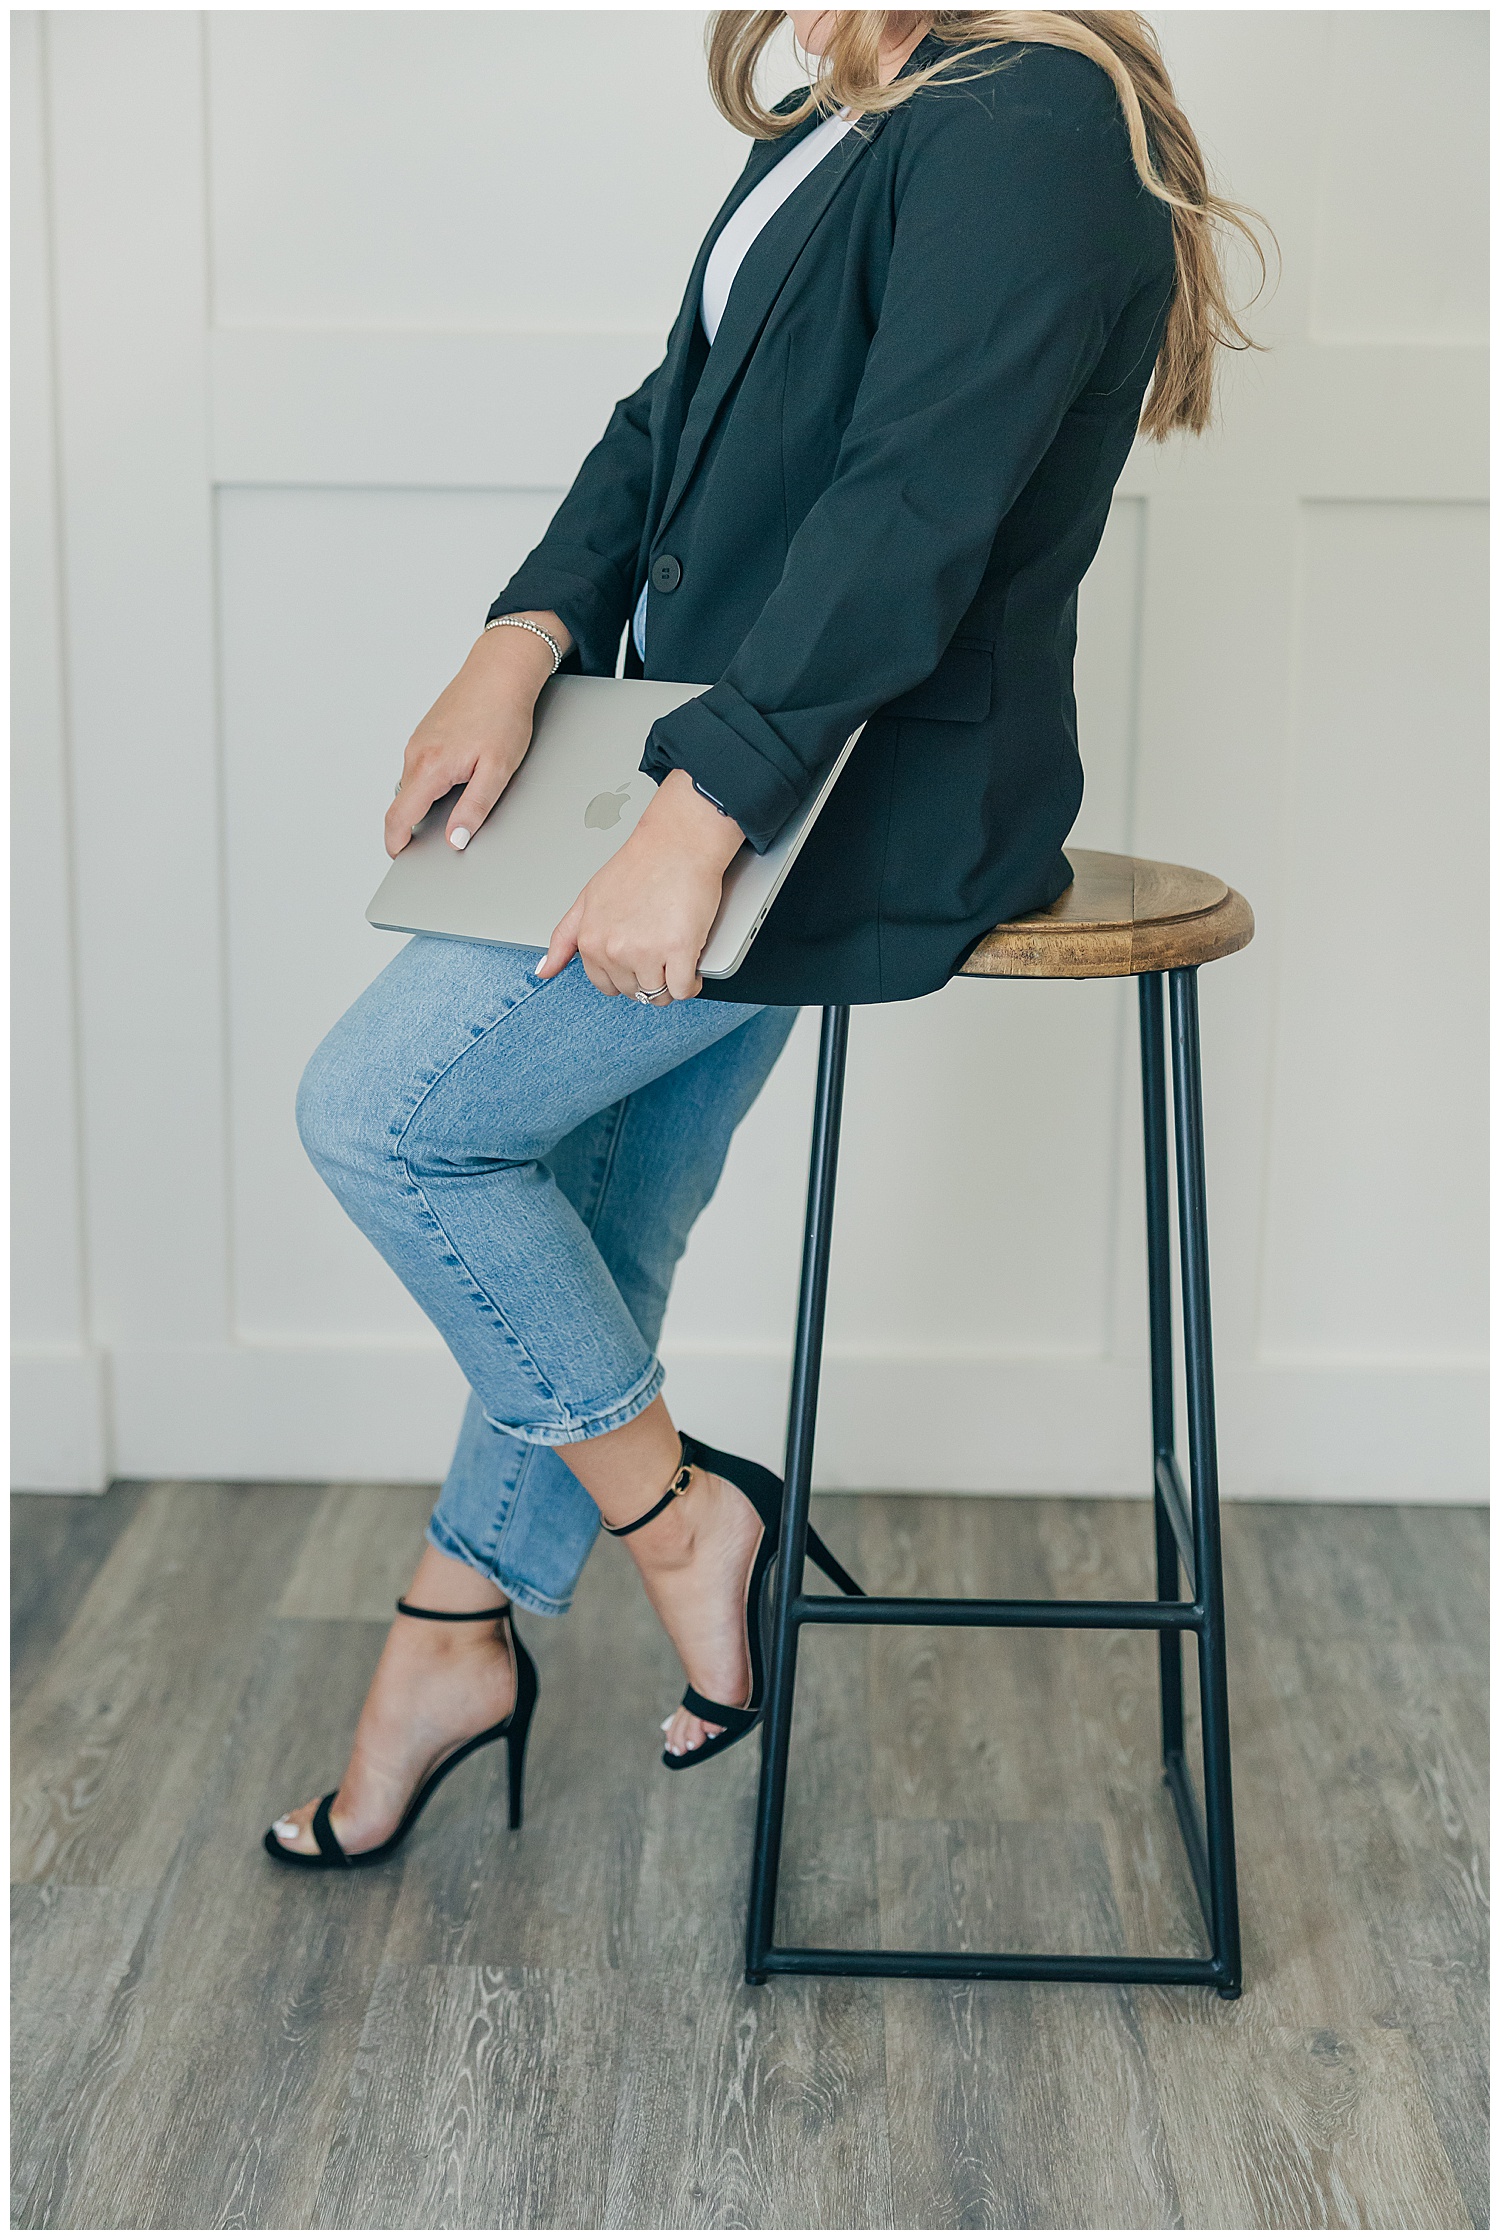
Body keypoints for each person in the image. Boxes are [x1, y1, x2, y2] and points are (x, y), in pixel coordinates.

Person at [266, 8, 1260, 1867]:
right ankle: (452, 1636)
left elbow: (917, 505)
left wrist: (694, 822)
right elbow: (673, 415)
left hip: (841, 792)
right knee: (597, 1226)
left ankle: (681, 1523)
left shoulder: (1034, 113)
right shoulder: (852, 100)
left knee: (392, 1117)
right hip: (734, 744)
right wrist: (522, 638)